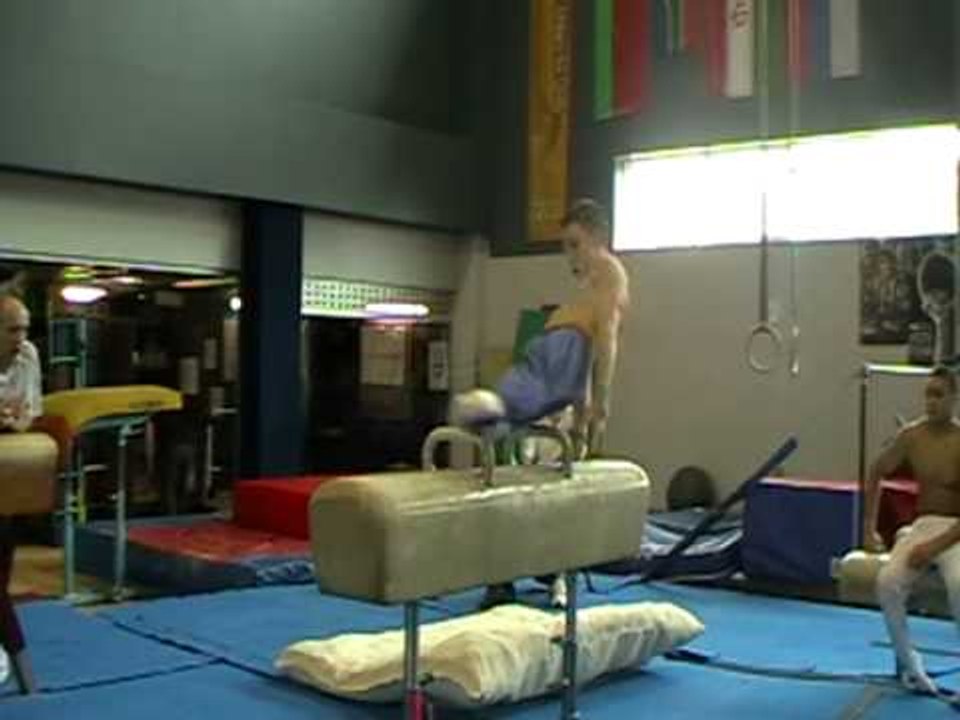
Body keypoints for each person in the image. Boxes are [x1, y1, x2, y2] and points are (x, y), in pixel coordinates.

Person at [450, 199, 631, 609]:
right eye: (566, 246)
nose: (570, 256)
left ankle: (491, 410)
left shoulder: (609, 271)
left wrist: (599, 404)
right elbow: (593, 347)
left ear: (598, 239)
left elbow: (607, 340)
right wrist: (594, 406)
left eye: (575, 244)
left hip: (558, 346)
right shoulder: (595, 280)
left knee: (523, 408)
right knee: (529, 423)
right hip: (560, 347)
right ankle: (493, 410)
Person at [863, 365, 960, 694]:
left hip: (955, 530)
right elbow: (876, 471)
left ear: (953, 398)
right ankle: (912, 666)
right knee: (886, 583)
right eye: (927, 394)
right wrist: (869, 528)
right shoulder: (912, 437)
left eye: (939, 395)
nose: (931, 401)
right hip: (923, 524)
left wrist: (933, 548)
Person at [0, 295, 43, 693]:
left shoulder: (28, 356)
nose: (21, 337)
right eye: (13, 330)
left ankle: (23, 676)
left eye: (24, 328)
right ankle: (29, 681)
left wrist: (17, 422)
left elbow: (31, 412)